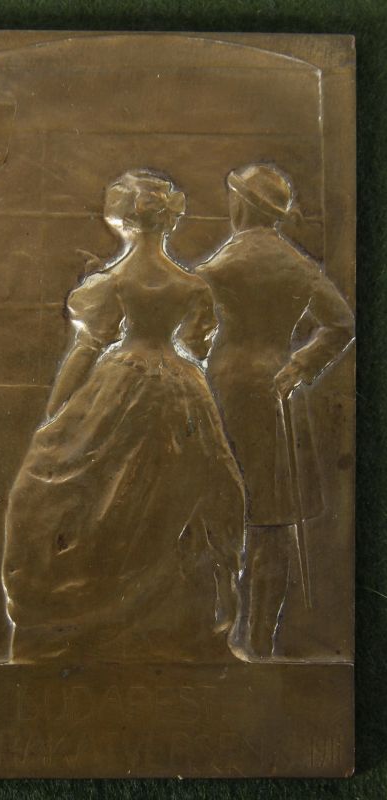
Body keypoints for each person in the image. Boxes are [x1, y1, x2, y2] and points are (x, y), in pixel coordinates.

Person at [3, 169, 245, 663]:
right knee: (167, 493)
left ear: (124, 221)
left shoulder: (112, 282)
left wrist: (56, 416)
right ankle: (157, 621)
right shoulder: (191, 285)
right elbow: (197, 345)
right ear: (167, 221)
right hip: (180, 390)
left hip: (121, 383)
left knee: (103, 494)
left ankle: (109, 621)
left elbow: (85, 350)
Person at [196, 163, 355, 660]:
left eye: (234, 196)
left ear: (243, 205)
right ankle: (260, 639)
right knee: (273, 520)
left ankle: (219, 632)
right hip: (276, 388)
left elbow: (188, 331)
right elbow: (341, 323)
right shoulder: (296, 264)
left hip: (224, 387)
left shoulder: (219, 265)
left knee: (216, 506)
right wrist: (300, 365)